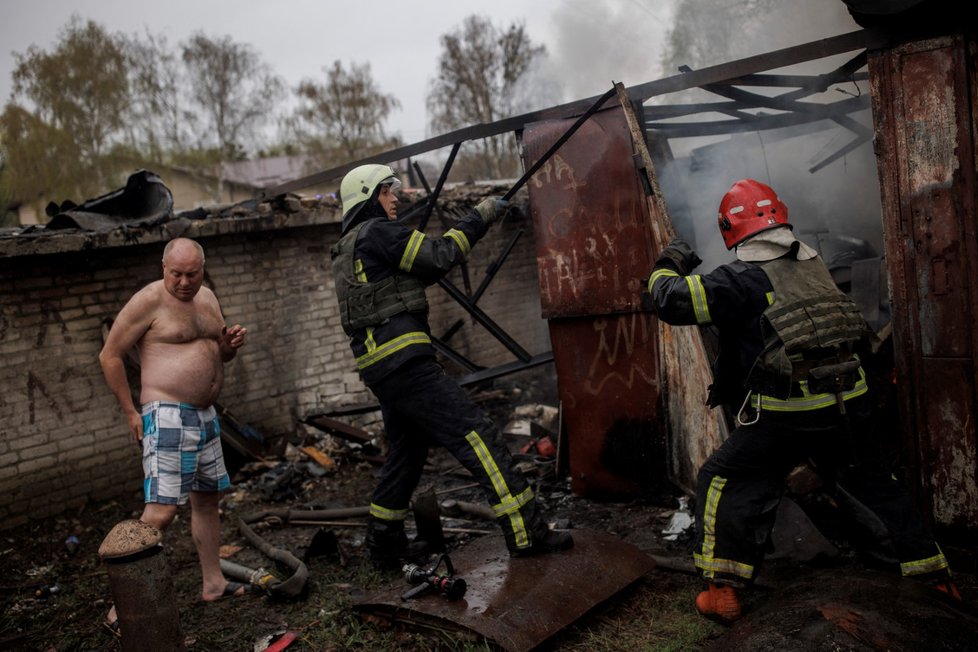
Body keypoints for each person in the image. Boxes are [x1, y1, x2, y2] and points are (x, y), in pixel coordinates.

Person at [645, 178, 959, 623]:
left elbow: (669, 301)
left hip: (785, 415)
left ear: (730, 229)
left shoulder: (739, 280)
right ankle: (933, 577)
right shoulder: (815, 265)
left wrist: (668, 262)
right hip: (849, 404)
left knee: (725, 477)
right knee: (873, 481)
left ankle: (723, 590)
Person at [330, 163, 573, 568]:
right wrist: (481, 215)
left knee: (406, 453)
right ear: (369, 197)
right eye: (387, 193)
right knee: (477, 435)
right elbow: (439, 256)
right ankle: (527, 530)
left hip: (382, 370)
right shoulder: (379, 233)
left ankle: (385, 545)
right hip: (406, 364)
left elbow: (407, 278)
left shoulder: (351, 248)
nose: (395, 200)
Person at [99, 237, 250, 629]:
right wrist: (130, 411)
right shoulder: (148, 300)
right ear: (163, 268)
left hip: (204, 414)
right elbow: (110, 354)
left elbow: (218, 353)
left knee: (206, 499)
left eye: (192, 274)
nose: (184, 282)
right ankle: (122, 606)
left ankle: (213, 582)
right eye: (176, 274)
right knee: (162, 510)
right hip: (166, 413)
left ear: (202, 269)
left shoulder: (209, 298)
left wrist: (229, 346)